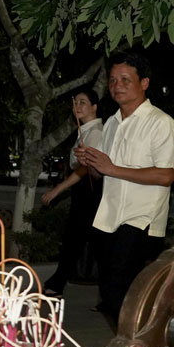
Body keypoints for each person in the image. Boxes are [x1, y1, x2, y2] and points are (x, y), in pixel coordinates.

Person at [75, 51, 174, 318]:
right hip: (110, 217)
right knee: (112, 294)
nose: (117, 86)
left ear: (144, 83)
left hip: (141, 219)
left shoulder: (161, 123)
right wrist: (91, 163)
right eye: (112, 80)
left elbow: (166, 175)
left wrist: (112, 168)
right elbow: (103, 175)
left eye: (125, 79)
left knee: (123, 291)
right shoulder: (111, 123)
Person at [39, 87, 104, 296]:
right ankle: (59, 283)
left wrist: (57, 189)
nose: (78, 106)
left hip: (91, 192)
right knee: (82, 241)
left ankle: (57, 284)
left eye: (83, 102)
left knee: (76, 241)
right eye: (76, 103)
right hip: (84, 192)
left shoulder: (95, 133)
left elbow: (85, 169)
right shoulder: (84, 131)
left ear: (94, 107)